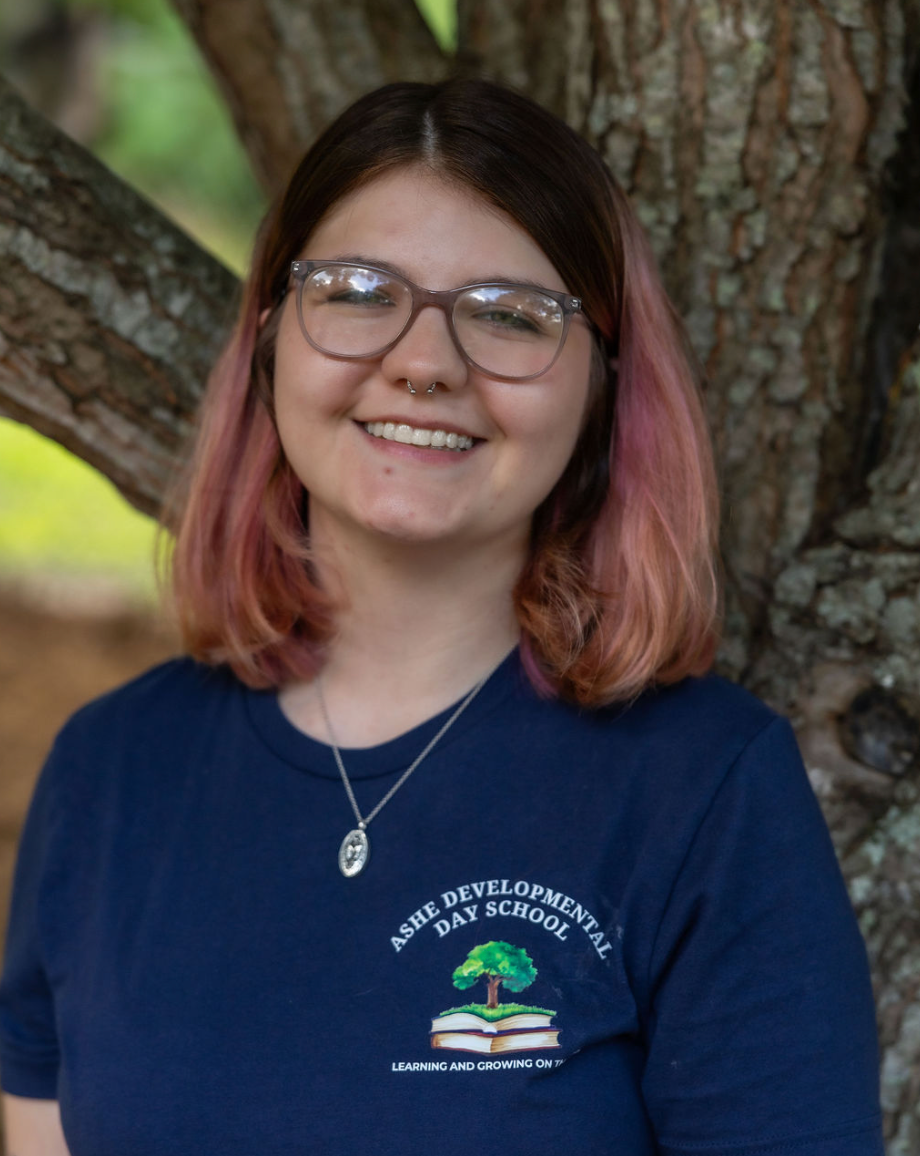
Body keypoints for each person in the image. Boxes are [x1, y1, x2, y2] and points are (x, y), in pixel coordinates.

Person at [0, 78, 883, 1156]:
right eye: (360, 289)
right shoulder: (108, 771)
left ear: (603, 386)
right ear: (272, 337)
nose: (422, 364)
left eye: (509, 315)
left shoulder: (706, 788)